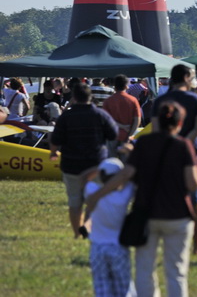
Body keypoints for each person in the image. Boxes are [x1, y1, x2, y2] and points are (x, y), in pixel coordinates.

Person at [87, 102, 197, 297]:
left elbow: (126, 173)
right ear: (180, 124)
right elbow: (192, 184)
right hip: (178, 216)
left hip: (147, 214)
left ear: (157, 122)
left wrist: (98, 194)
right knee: (176, 272)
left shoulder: (144, 143)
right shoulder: (183, 145)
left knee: (145, 270)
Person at [152, 64, 197, 256]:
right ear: (185, 77)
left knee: (166, 196)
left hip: (164, 152)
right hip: (192, 152)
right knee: (194, 200)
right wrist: (184, 144)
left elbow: (155, 129)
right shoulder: (195, 99)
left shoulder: (160, 100)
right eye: (192, 76)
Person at [49, 83, 118, 238]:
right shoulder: (100, 114)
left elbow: (56, 138)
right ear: (90, 97)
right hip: (96, 165)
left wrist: (53, 153)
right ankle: (88, 225)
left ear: (74, 98)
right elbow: (113, 134)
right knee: (95, 199)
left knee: (75, 202)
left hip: (71, 165)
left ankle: (76, 233)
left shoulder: (66, 116)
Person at [83, 158, 136, 297]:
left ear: (101, 175)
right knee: (124, 287)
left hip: (97, 248)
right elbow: (131, 176)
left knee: (102, 288)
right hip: (118, 247)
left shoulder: (92, 191)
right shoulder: (124, 195)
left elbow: (84, 177)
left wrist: (97, 169)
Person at [103, 74, 142, 154]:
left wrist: (121, 126)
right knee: (125, 163)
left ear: (114, 86)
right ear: (126, 86)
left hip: (112, 135)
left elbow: (106, 120)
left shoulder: (108, 101)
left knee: (111, 162)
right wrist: (130, 134)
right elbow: (137, 120)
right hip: (127, 135)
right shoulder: (133, 100)